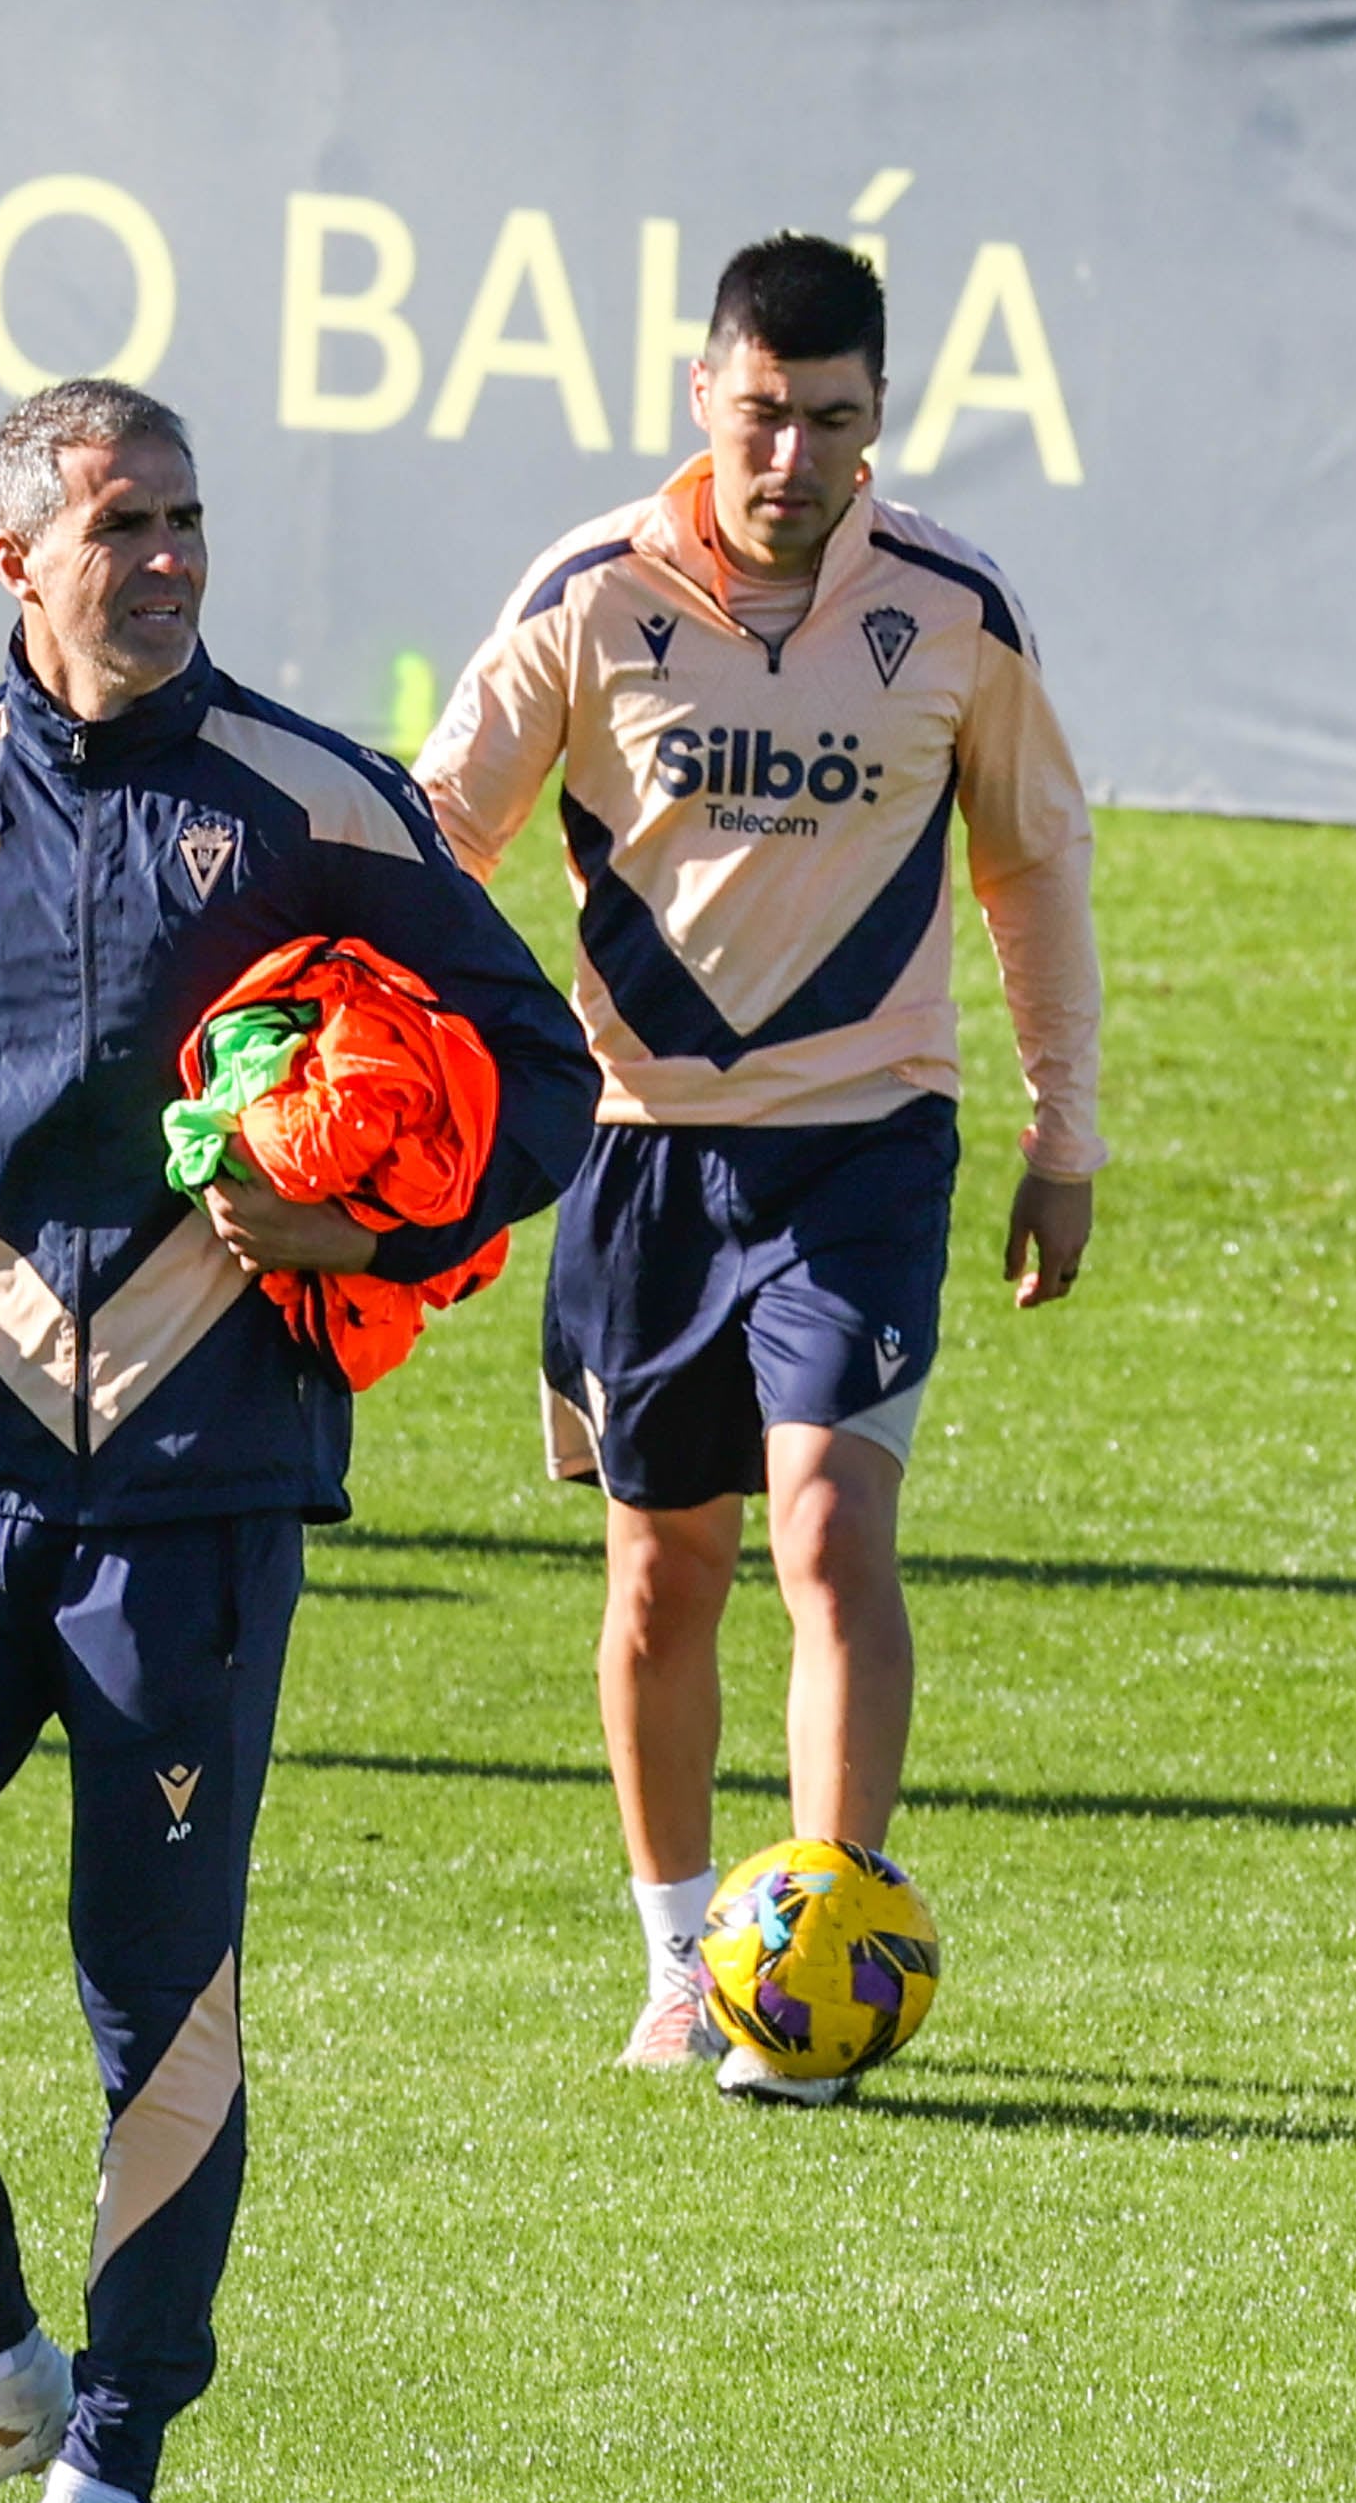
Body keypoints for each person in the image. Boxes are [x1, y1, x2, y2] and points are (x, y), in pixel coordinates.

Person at [0, 381, 590, 2503]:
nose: (173, 557)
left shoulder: (314, 799)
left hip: (194, 1499)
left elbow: (549, 1082)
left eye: (190, 517)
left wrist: (379, 1230)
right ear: (20, 560)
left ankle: (113, 2447)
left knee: (154, 1983)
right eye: (126, 526)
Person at [412, 234, 1104, 2099]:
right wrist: (397, 1070)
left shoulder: (956, 606)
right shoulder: (588, 593)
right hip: (638, 1155)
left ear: (880, 419)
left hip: (867, 1147)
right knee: (663, 1575)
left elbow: (1031, 864)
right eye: (763, 414)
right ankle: (675, 1956)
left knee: (829, 1531)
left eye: (834, 420)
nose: (794, 455)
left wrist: (1065, 1131)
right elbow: (434, 840)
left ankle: (815, 1973)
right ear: (701, 399)